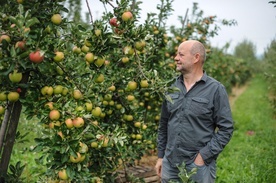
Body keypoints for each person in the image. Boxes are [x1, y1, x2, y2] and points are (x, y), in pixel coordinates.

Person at [155, 40, 234, 183]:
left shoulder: (215, 89)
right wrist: (161, 156)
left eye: (181, 54)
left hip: (197, 167)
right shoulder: (171, 87)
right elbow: (164, 124)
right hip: (170, 164)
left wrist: (203, 156)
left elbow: (226, 129)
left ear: (196, 58)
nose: (176, 58)